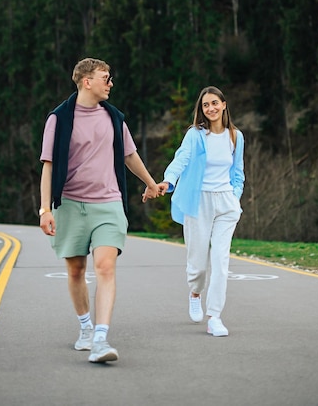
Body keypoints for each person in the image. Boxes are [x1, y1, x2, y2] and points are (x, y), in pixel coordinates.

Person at [39, 57, 159, 363]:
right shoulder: (59, 119)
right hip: (69, 204)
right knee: (76, 269)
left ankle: (101, 339)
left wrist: (150, 183)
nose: (111, 83)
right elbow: (49, 167)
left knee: (105, 267)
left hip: (108, 203)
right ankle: (85, 328)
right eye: (105, 77)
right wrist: (45, 209)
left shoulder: (114, 118)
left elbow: (129, 155)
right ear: (86, 81)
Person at [158, 86, 244, 337]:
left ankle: (214, 316)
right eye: (206, 105)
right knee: (198, 265)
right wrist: (168, 181)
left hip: (226, 204)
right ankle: (195, 292)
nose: (211, 108)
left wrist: (235, 198)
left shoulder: (236, 137)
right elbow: (181, 159)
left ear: (224, 105)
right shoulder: (195, 135)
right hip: (198, 203)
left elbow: (238, 172)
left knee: (220, 260)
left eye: (215, 103)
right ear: (201, 109)